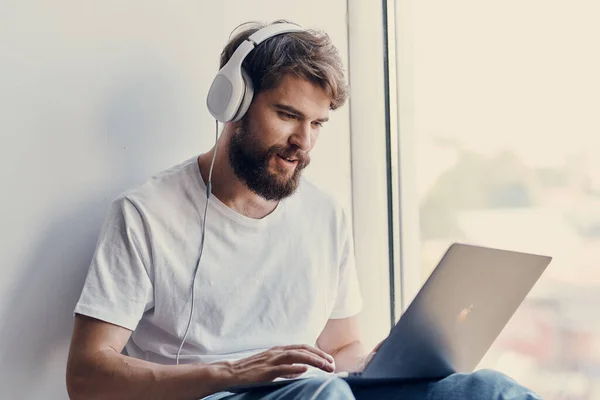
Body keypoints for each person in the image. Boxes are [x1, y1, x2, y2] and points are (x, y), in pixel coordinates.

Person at [66, 20, 542, 400]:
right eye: (288, 115)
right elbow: (86, 377)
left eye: (318, 123)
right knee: (323, 394)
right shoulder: (145, 215)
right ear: (233, 104)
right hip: (222, 395)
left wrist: (380, 363)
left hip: (320, 390)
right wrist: (234, 371)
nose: (304, 142)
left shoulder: (325, 214)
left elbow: (339, 348)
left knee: (487, 390)